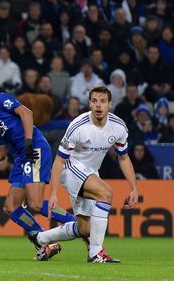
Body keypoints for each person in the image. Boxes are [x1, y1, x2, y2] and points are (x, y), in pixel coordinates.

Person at [0, 71, 76, 259]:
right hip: (22, 157)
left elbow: (26, 112)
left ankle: (77, 224)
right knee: (11, 207)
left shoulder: (0, 99)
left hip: (35, 149)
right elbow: (0, 152)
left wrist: (29, 141)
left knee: (36, 203)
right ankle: (44, 241)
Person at [32, 86, 139, 263]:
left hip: (90, 172)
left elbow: (124, 158)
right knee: (106, 193)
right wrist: (53, 193)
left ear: (110, 104)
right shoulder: (78, 126)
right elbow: (59, 161)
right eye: (94, 101)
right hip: (70, 168)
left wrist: (134, 188)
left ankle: (40, 239)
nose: (98, 105)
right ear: (89, 103)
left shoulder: (118, 127)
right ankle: (96, 253)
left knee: (85, 229)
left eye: (103, 101)